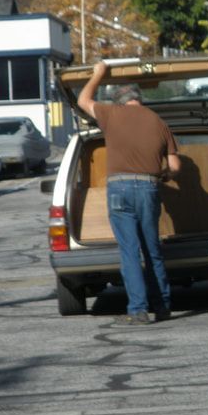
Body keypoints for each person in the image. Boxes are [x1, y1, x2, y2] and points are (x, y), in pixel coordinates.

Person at [78, 61, 181, 325]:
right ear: (139, 99)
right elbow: (175, 166)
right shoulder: (159, 122)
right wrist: (164, 176)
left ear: (120, 102)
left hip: (119, 189)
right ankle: (163, 306)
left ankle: (138, 310)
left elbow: (83, 99)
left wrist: (98, 74)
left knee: (129, 251)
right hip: (148, 187)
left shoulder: (111, 114)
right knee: (152, 250)